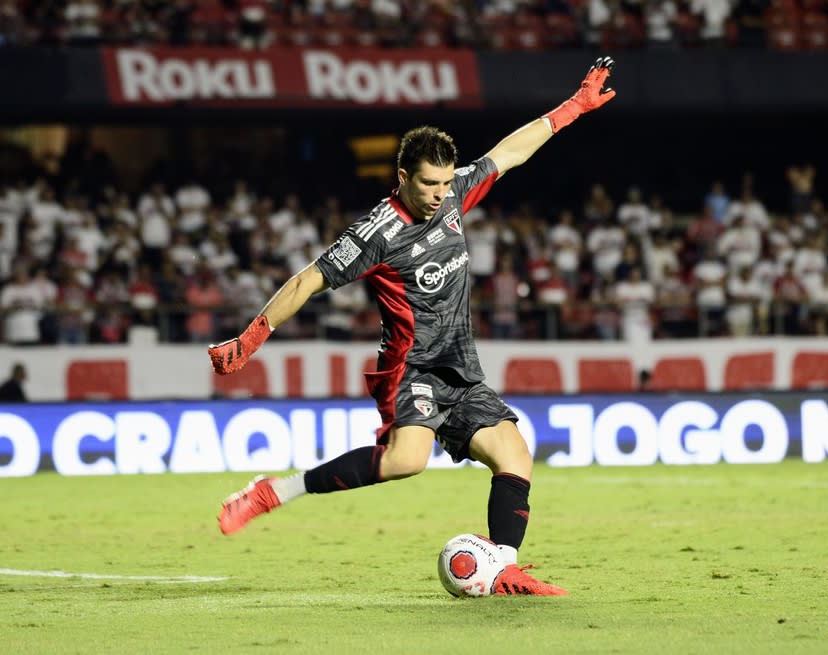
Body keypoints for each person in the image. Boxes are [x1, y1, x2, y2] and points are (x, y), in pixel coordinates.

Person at [207, 57, 618, 597]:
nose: (438, 193)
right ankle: (273, 492)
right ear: (402, 177)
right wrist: (253, 334)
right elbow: (308, 280)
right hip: (412, 368)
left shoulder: (452, 197)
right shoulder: (376, 234)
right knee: (406, 461)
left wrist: (573, 108)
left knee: (515, 454)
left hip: (461, 370)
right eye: (428, 183)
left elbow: (509, 152)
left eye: (446, 183)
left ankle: (502, 567)